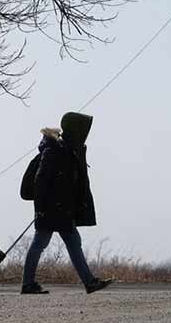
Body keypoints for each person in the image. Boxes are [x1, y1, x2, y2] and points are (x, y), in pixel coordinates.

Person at [21, 112, 112, 295]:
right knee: (41, 244)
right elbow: (41, 181)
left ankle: (89, 282)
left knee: (70, 243)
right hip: (51, 211)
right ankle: (28, 284)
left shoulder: (69, 150)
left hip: (62, 211)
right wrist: (41, 209)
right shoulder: (54, 150)